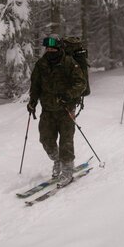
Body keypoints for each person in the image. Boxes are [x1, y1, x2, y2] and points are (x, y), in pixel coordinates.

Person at [27, 34, 87, 186]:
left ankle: (67, 170)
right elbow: (35, 85)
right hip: (47, 109)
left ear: (59, 48)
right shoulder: (41, 64)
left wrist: (68, 95)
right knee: (46, 140)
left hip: (66, 108)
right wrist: (32, 102)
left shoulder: (69, 63)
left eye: (53, 48)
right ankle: (57, 161)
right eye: (47, 48)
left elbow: (81, 83)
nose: (49, 50)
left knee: (66, 141)